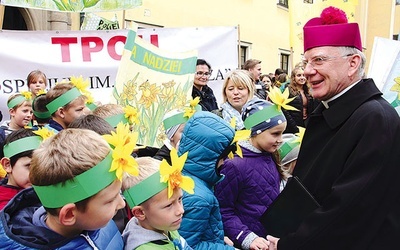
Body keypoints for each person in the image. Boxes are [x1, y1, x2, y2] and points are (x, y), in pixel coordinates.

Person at [267, 6, 400, 249]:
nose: (307, 71)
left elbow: (350, 210)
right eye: (306, 61)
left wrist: (291, 244)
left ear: (353, 63)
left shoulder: (375, 119)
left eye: (319, 60)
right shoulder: (330, 108)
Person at [0, 128, 126, 249]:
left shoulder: (97, 221)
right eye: (110, 200)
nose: (122, 204)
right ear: (69, 214)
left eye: (119, 193)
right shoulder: (95, 220)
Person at [215, 97, 288, 250]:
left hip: (270, 237)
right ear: (255, 131)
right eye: (275, 134)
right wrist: (246, 237)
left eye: (282, 134)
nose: (280, 140)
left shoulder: (269, 154)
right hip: (252, 241)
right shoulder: (234, 165)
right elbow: (223, 210)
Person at [177, 111, 236, 249]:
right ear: (209, 156)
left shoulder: (187, 177)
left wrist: (220, 240)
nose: (224, 162)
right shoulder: (199, 198)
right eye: (223, 156)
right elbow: (187, 245)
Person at [121, 155, 194, 250]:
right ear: (140, 213)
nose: (181, 210)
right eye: (168, 205)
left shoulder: (164, 226)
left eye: (179, 199)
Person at [0, 128, 42, 210]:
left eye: (41, 166)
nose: (38, 174)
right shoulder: (4, 206)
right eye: (30, 166)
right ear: (7, 164)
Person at [281, 66, 318, 133]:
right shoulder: (288, 91)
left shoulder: (308, 91)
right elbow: (285, 110)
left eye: (304, 75)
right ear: (293, 78)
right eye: (299, 75)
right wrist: (294, 127)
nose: (302, 78)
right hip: (292, 126)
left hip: (306, 124)